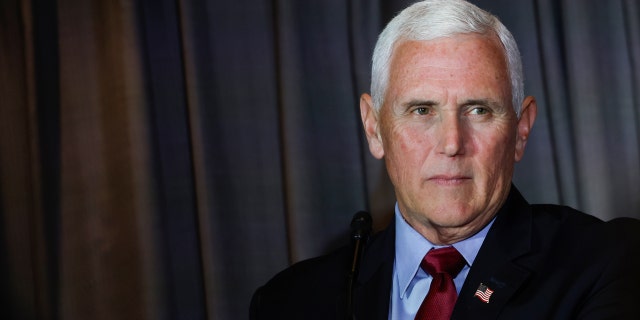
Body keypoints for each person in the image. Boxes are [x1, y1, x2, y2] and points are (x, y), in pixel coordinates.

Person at [250, 0, 640, 319]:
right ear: (374, 128)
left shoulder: (606, 264)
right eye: (421, 110)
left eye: (478, 110)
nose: (452, 143)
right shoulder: (289, 302)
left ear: (521, 130)